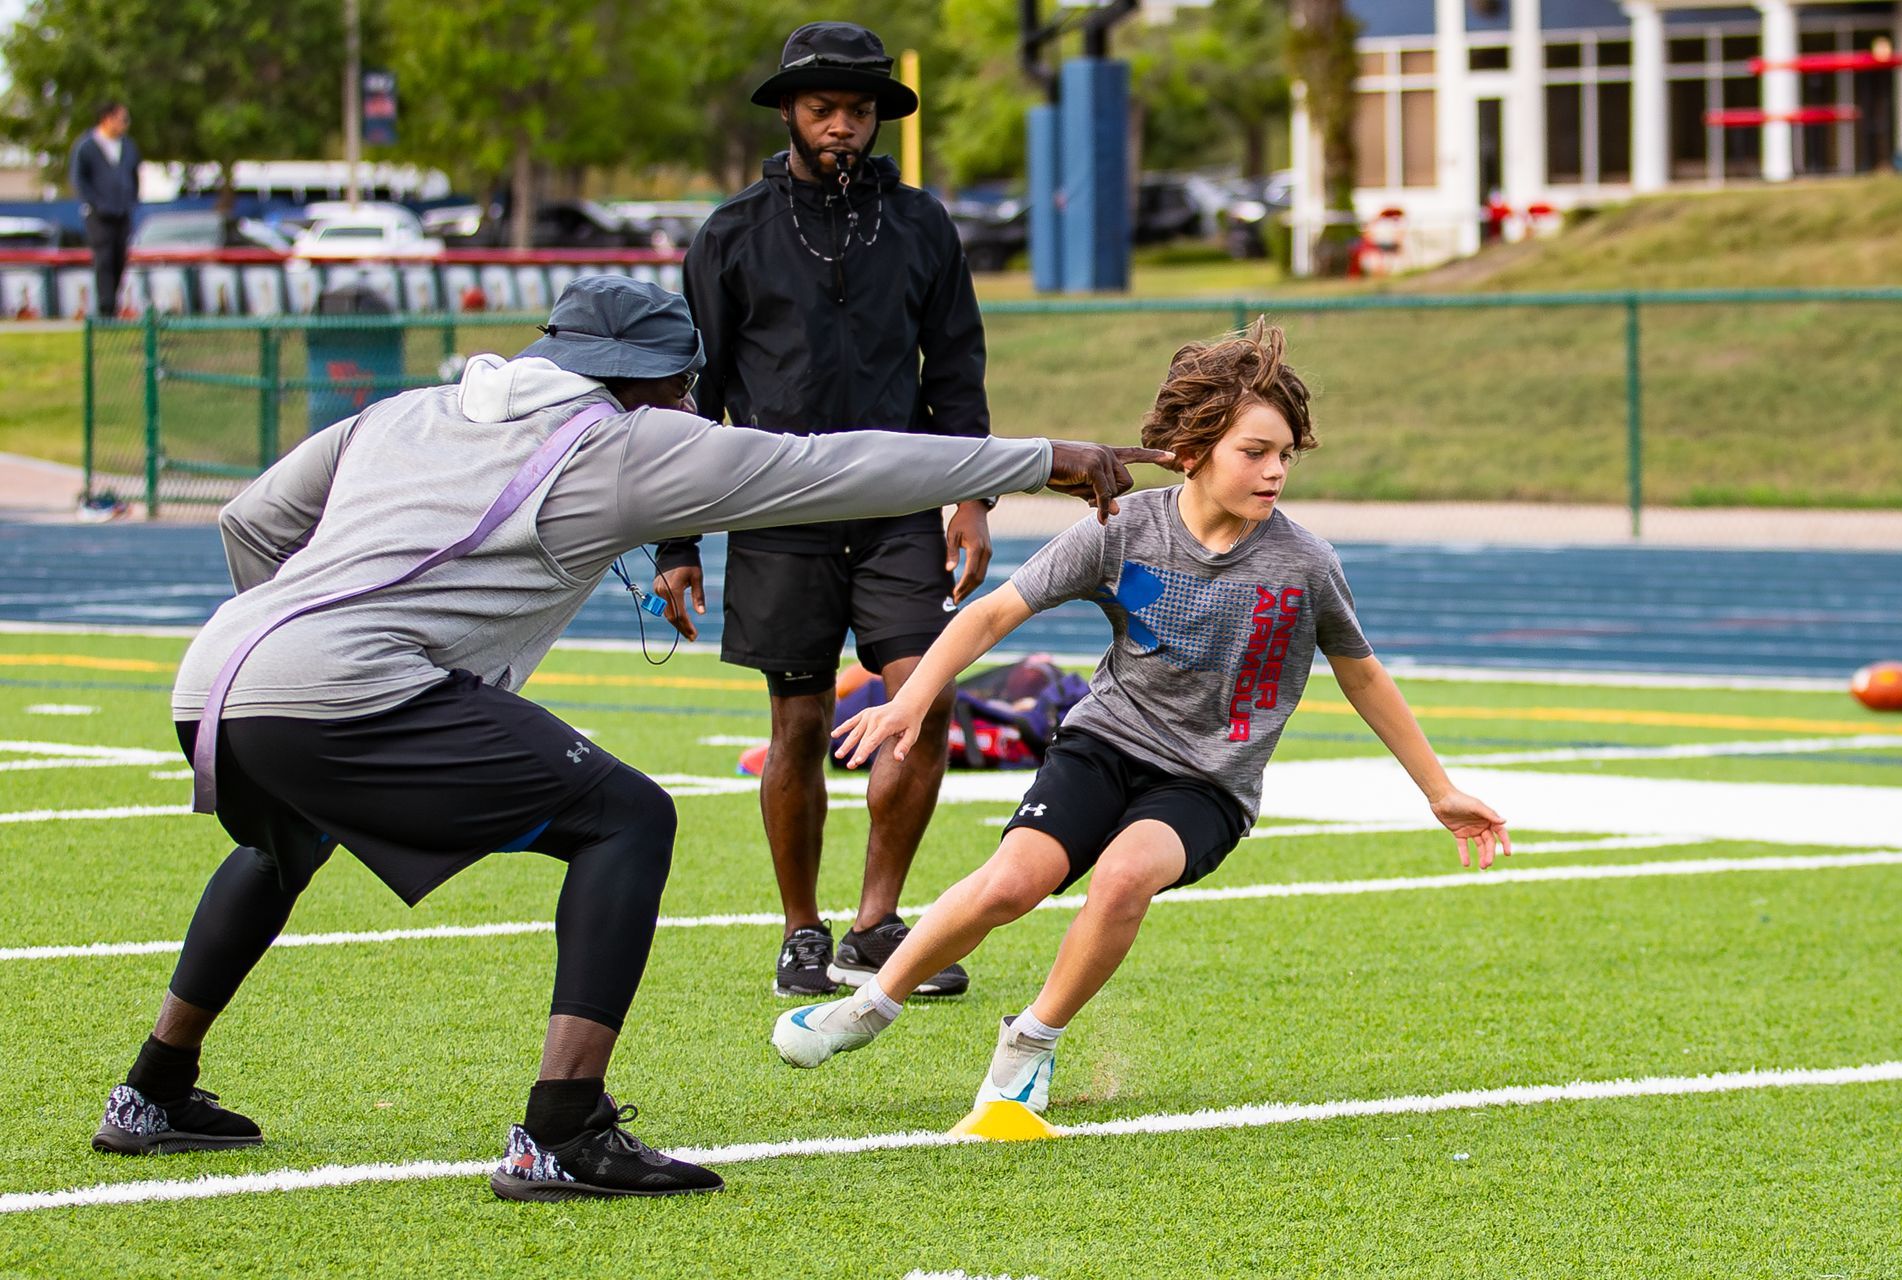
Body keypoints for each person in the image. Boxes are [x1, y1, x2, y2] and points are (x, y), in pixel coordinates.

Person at [88, 274, 1167, 1201]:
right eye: (682, 383)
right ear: (641, 380)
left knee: (284, 845)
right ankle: (562, 1129)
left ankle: (152, 1089)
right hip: (340, 682)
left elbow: (252, 521)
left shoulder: (409, 411)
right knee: (628, 817)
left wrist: (292, 657)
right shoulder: (625, 442)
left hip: (219, 672)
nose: (690, 401)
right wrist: (1040, 458)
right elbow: (829, 468)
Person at [770, 321, 1512, 1110]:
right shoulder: (1122, 530)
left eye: (1286, 454)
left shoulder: (1305, 564)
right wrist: (910, 701)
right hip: (1105, 743)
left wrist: (1438, 789)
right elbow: (991, 617)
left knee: (1124, 877)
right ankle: (868, 1006)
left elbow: (1362, 675)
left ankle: (1030, 1045)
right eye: (1253, 452)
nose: (1275, 472)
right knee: (1012, 885)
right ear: (1192, 451)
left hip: (1208, 782)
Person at [654, 22, 996, 1001]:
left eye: (858, 110)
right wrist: (679, 539)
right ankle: (802, 929)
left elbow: (957, 372)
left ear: (880, 115)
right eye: (823, 109)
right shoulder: (731, 235)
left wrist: (970, 495)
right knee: (797, 718)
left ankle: (876, 923)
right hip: (777, 510)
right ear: (791, 116)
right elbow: (695, 395)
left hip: (898, 505)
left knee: (923, 702)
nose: (842, 126)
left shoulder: (925, 225)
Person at [68, 100, 140, 317]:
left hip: (122, 212)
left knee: (119, 259)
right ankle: (105, 309)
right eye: (122, 119)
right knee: (104, 258)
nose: (125, 124)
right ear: (107, 119)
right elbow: (79, 179)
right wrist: (95, 203)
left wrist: (131, 201)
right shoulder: (87, 146)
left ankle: (113, 304)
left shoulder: (127, 146)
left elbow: (134, 175)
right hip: (99, 215)